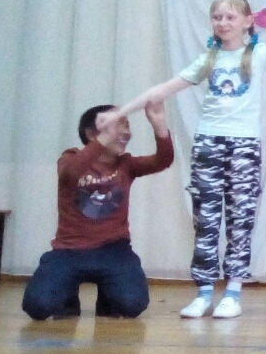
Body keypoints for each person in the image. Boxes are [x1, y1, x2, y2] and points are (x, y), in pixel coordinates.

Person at [100, 0, 266, 318]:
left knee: (240, 220)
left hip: (244, 148)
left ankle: (233, 293)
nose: (223, 23)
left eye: (230, 17)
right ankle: (204, 292)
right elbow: (161, 90)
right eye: (217, 17)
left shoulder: (260, 55)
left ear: (247, 22)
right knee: (206, 221)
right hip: (208, 145)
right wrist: (120, 112)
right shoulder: (207, 60)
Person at [23, 102, 173, 320]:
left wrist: (159, 123)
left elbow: (163, 160)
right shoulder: (70, 157)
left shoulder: (127, 164)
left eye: (127, 125)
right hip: (69, 251)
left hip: (114, 250)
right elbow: (71, 173)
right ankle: (68, 296)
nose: (125, 131)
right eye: (117, 125)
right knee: (38, 307)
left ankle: (108, 296)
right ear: (91, 134)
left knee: (132, 305)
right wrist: (103, 139)